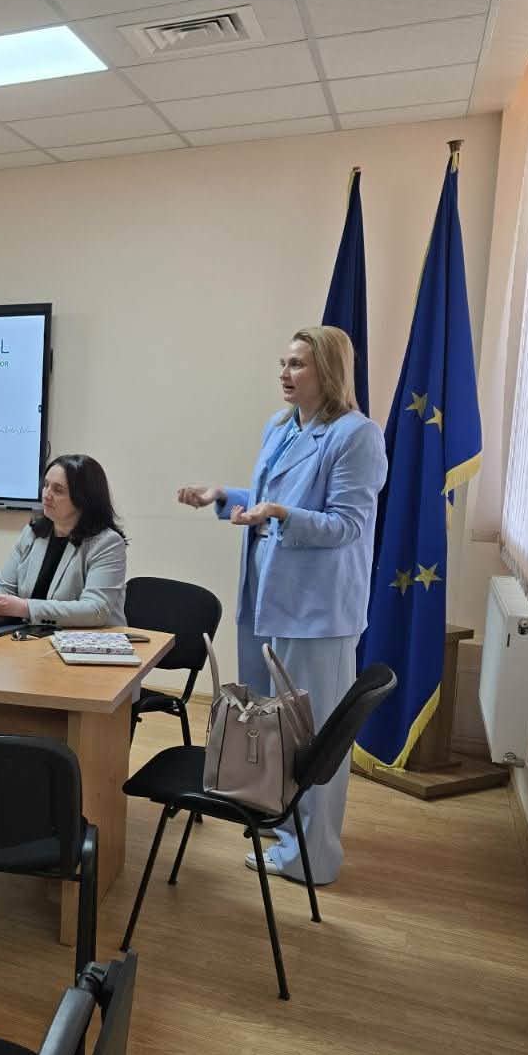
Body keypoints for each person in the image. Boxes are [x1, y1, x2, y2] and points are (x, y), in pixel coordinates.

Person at [177, 324, 385, 886]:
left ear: (328, 371)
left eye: (297, 364)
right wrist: (225, 496)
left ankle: (314, 856)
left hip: (317, 612)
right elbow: (270, 498)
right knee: (272, 728)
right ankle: (283, 822)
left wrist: (278, 515)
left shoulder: (356, 436)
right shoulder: (281, 426)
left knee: (312, 737)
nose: (285, 374)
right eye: (283, 363)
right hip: (265, 596)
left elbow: (347, 525)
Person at [0, 453, 128, 628]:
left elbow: (95, 610)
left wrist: (26, 608)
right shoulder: (33, 533)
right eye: (46, 485)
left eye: (58, 490)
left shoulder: (107, 543)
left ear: (83, 499)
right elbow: (3, 585)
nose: (46, 495)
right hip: (35, 636)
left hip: (91, 640)